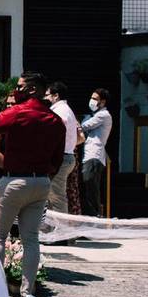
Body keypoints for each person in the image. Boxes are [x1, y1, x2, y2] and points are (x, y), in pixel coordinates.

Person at [0, 72, 65, 297]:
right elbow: (57, 160)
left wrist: (4, 116)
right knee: (31, 239)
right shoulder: (55, 121)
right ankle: (27, 292)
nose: (17, 89)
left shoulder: (17, 113)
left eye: (20, 86)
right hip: (41, 181)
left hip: (14, 180)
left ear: (32, 89)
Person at [44, 81, 80, 214]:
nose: (45, 98)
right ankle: (53, 229)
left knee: (56, 196)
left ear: (56, 96)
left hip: (62, 158)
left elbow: (56, 132)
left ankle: (61, 230)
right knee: (51, 195)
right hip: (65, 157)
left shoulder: (60, 111)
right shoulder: (65, 110)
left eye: (47, 95)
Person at [81, 88, 113, 217]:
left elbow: (84, 126)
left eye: (95, 99)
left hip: (94, 156)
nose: (92, 101)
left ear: (103, 102)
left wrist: (79, 121)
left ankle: (95, 217)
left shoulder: (103, 115)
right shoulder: (96, 115)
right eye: (92, 98)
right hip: (90, 155)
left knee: (91, 187)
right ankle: (92, 217)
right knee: (89, 187)